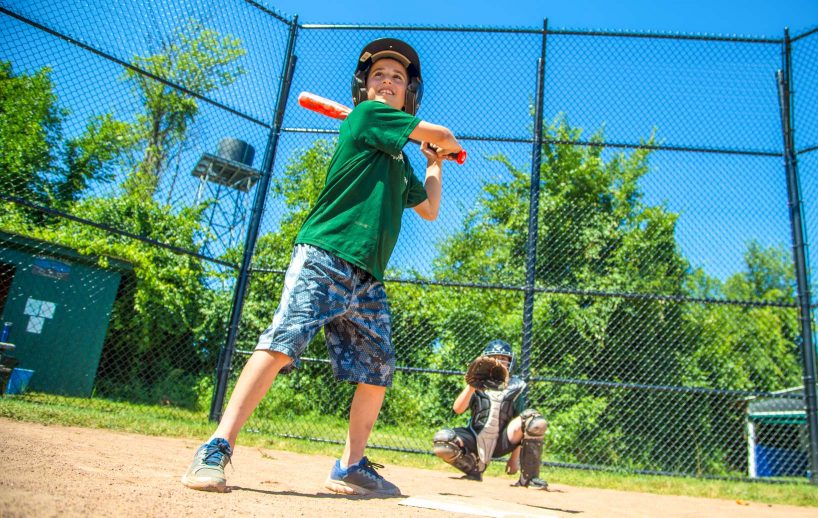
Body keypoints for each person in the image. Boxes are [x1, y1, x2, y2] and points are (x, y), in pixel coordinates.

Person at [182, 38, 463, 497]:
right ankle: (216, 446)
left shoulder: (397, 155)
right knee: (282, 344)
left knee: (377, 368)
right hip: (326, 254)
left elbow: (428, 208)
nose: (388, 82)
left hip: (368, 276)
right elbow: (446, 134)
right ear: (364, 88)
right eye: (379, 76)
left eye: (397, 78)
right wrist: (442, 144)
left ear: (409, 92)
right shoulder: (369, 118)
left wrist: (435, 163)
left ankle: (351, 466)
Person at [433, 339, 549, 489]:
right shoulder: (478, 383)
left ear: (511, 362)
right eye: (495, 358)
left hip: (503, 440)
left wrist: (514, 459)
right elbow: (458, 409)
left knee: (534, 420)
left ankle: (529, 478)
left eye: (503, 359)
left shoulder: (516, 385)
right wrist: (472, 386)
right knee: (443, 441)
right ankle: (473, 469)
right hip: (476, 436)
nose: (499, 362)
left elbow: (523, 426)